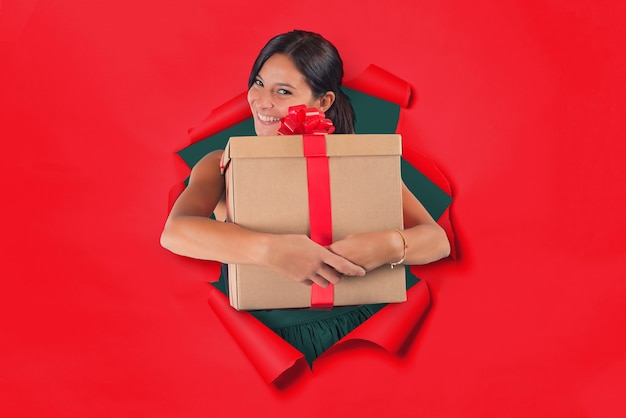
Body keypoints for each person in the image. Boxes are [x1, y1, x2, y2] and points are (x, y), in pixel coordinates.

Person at [161, 30, 450, 363]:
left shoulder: (356, 160)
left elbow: (436, 240)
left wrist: (386, 246)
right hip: (262, 345)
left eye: (283, 91)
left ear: (323, 101)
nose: (262, 101)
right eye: (258, 83)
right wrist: (273, 250)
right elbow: (175, 232)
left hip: (360, 336)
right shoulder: (223, 162)